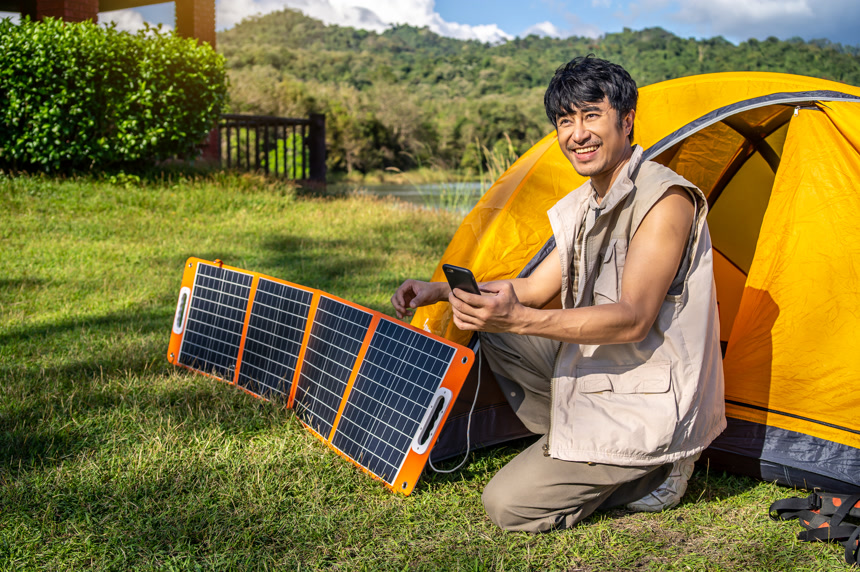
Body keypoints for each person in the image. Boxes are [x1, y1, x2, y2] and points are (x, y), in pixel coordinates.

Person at [391, 56, 726, 532]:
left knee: (508, 505)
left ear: (626, 121)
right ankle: (577, 444)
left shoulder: (665, 199)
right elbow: (533, 287)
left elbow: (632, 318)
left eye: (591, 115)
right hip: (610, 374)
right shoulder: (587, 202)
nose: (577, 133)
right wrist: (440, 291)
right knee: (497, 334)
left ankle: (656, 472)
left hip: (650, 398)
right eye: (565, 121)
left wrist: (521, 319)